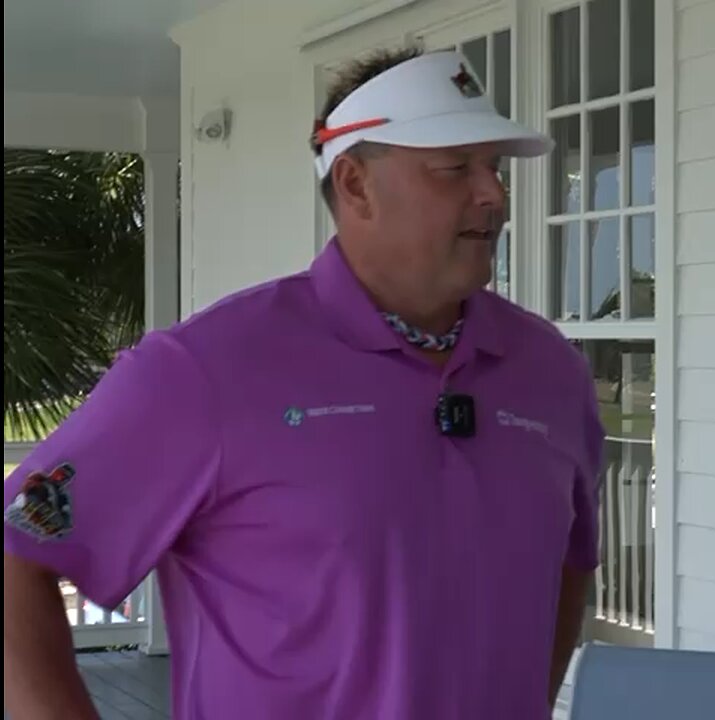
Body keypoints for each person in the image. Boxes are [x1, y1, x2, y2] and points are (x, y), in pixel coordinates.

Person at [3, 47, 604, 720]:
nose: (493, 193)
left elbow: (570, 563)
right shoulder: (207, 370)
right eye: (455, 168)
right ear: (354, 184)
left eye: (494, 166)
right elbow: (15, 558)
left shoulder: (552, 372)